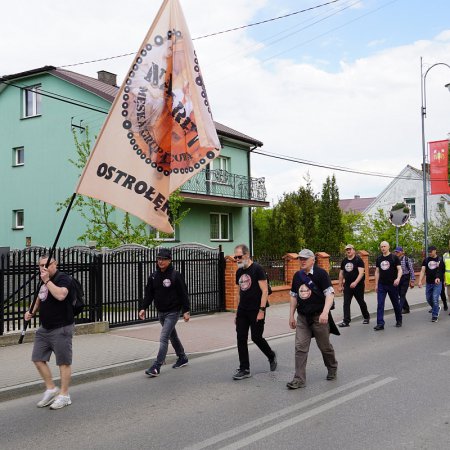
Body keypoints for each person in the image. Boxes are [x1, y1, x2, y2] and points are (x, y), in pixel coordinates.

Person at [24, 255, 75, 410]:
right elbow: (41, 297)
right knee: (38, 358)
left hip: (62, 327)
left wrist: (47, 280)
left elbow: (61, 295)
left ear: (55, 264)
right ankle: (51, 388)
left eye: (47, 264)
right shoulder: (43, 279)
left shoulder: (63, 278)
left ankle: (65, 395)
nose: (43, 268)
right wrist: (31, 311)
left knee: (63, 362)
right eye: (40, 265)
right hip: (44, 328)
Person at [287, 249, 338, 389]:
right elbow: (293, 296)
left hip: (318, 317)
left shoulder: (321, 274)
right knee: (300, 348)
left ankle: (332, 367)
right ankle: (299, 379)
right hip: (303, 318)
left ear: (312, 260)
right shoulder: (297, 276)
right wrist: (291, 315)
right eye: (300, 259)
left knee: (324, 347)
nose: (302, 261)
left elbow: (330, 294)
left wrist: (325, 312)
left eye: (305, 259)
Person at [139, 248, 190, 376]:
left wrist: (186, 310)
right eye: (159, 259)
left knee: (164, 338)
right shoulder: (153, 276)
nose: (160, 261)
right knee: (172, 336)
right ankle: (182, 357)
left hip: (173, 312)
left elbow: (183, 293)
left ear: (169, 260)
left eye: (164, 259)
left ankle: (157, 366)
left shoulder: (175, 275)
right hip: (161, 312)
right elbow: (149, 294)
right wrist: (143, 308)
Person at [232, 244, 277, 380]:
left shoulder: (257, 269)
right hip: (243, 310)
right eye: (235, 257)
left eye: (239, 257)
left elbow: (264, 291)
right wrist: (237, 312)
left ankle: (271, 355)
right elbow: (240, 292)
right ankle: (244, 368)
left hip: (256, 309)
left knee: (256, 337)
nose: (237, 259)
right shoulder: (239, 271)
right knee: (241, 338)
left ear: (247, 255)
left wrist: (261, 310)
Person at [337, 244, 370, 327]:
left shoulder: (358, 260)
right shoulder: (344, 261)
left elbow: (361, 273)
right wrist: (340, 285)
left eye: (350, 249)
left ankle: (366, 317)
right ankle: (346, 321)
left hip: (358, 285)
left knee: (361, 301)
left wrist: (355, 282)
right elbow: (341, 273)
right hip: (347, 285)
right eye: (347, 250)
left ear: (353, 250)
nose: (348, 251)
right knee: (346, 303)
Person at [374, 241, 403, 331]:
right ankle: (380, 324)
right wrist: (376, 284)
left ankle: (399, 320)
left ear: (388, 247)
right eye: (381, 246)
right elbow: (377, 272)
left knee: (395, 303)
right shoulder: (379, 259)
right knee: (380, 304)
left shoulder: (394, 258)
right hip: (382, 285)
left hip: (392, 285)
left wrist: (398, 278)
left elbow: (400, 269)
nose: (383, 248)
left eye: (384, 246)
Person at [418, 245, 444, 323]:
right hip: (429, 283)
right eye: (428, 251)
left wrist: (438, 278)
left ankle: (435, 315)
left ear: (435, 250)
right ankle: (436, 308)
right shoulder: (426, 260)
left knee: (435, 298)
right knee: (428, 299)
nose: (429, 253)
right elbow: (422, 271)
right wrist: (420, 281)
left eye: (431, 251)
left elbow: (441, 270)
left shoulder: (440, 259)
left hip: (437, 283)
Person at [393, 246, 415, 314]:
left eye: (398, 252)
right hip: (398, 278)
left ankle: (399, 310)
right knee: (400, 294)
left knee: (402, 294)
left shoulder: (407, 259)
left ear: (402, 252)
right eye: (395, 251)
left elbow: (411, 270)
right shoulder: (394, 259)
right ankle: (406, 308)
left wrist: (412, 280)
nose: (396, 253)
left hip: (405, 277)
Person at [444, 242, 450, 314]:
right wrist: (444, 280)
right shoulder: (445, 255)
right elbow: (443, 269)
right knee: (449, 295)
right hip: (448, 280)